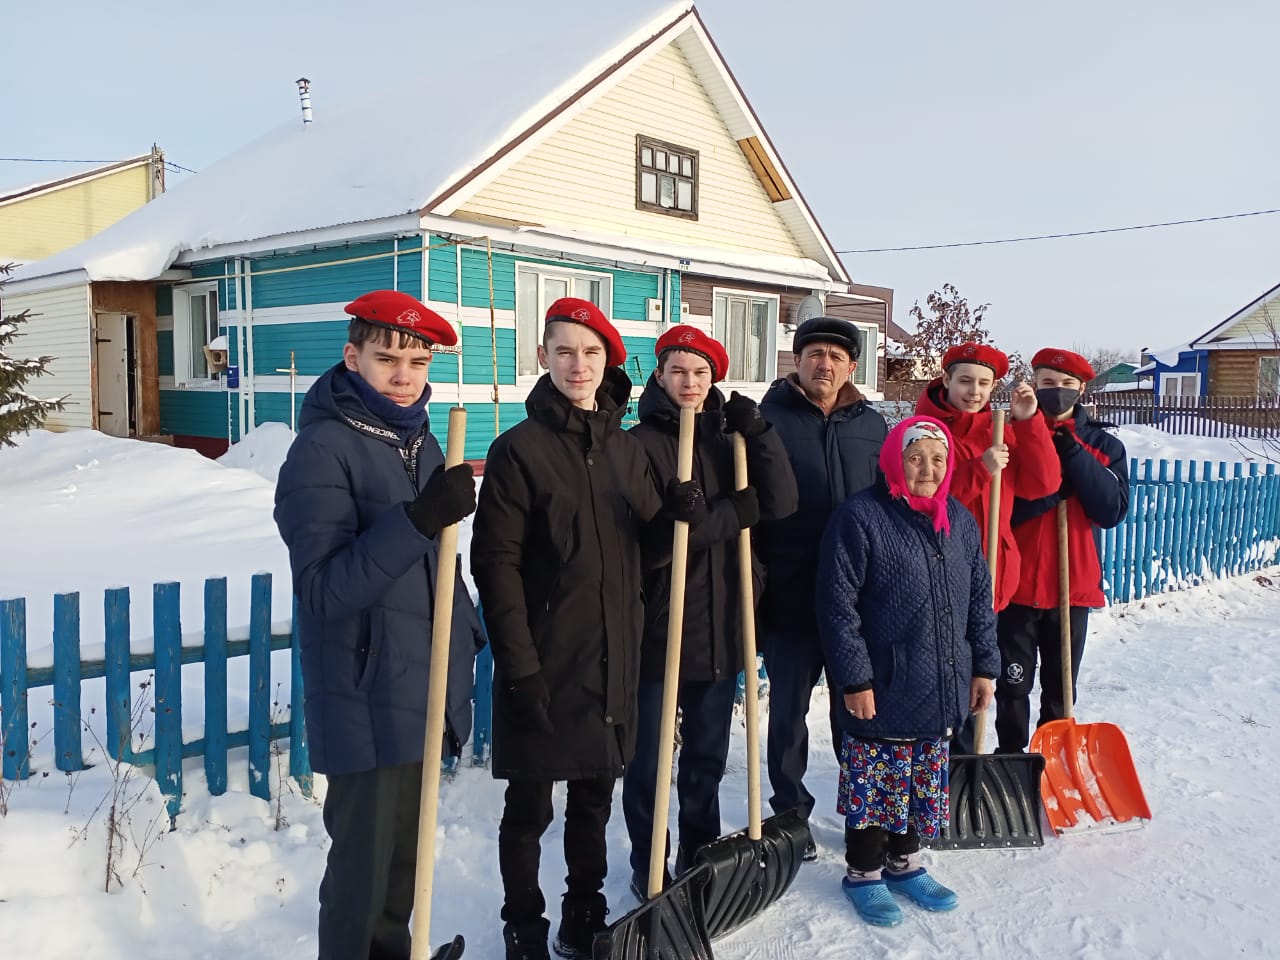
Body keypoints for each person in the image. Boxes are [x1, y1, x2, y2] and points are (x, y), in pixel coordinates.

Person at [470, 299, 707, 960]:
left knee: (594, 801)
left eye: (591, 352)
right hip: (545, 661)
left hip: (612, 657)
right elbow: (496, 566)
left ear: (608, 363)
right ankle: (524, 928)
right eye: (565, 351)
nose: (579, 365)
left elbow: (646, 554)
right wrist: (519, 669)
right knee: (529, 809)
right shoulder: (518, 451)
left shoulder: (625, 451)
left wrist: (673, 519)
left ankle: (584, 912)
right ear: (543, 356)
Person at [273, 290, 482, 960]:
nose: (403, 375)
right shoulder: (321, 450)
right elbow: (325, 590)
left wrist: (468, 634)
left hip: (419, 685)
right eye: (387, 358)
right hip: (364, 692)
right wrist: (419, 519)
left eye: (417, 362)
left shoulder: (420, 442)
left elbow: (436, 571)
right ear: (351, 357)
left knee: (402, 867)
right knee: (361, 878)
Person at [622, 325, 798, 900]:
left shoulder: (732, 440)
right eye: (677, 371)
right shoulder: (640, 444)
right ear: (659, 375)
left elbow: (780, 502)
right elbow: (651, 540)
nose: (689, 382)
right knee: (648, 763)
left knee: (705, 758)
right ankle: (649, 865)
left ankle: (699, 858)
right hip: (659, 627)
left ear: (714, 377)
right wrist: (727, 516)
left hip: (723, 625)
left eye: (700, 372)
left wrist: (761, 434)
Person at [816, 415, 999, 927]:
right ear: (895, 460)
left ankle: (905, 863)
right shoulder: (861, 517)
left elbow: (979, 600)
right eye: (915, 457)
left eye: (938, 459)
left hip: (941, 680)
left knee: (920, 778)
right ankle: (864, 872)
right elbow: (837, 606)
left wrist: (984, 666)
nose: (927, 469)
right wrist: (855, 678)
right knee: (877, 782)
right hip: (884, 682)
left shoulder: (959, 520)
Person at [755, 315, 888, 857]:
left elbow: (889, 504)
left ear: (852, 366)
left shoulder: (872, 426)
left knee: (856, 708)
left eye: (836, 356)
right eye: (814, 354)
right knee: (788, 712)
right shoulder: (766, 421)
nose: (824, 364)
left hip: (856, 600)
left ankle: (863, 813)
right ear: (797, 361)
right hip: (789, 591)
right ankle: (790, 811)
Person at [914, 342, 1060, 752]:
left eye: (983, 383)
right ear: (946, 380)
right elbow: (926, 499)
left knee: (977, 674)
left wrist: (1029, 422)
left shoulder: (1000, 432)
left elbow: (1044, 483)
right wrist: (980, 470)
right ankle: (944, 762)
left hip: (993, 573)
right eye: (965, 381)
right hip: (938, 573)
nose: (974, 391)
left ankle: (964, 762)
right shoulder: (925, 432)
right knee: (943, 674)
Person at [995, 348, 1130, 753]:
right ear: (1035, 385)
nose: (1057, 391)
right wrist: (1047, 496)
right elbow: (999, 507)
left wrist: (1073, 455)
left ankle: (1052, 760)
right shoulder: (1010, 436)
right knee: (1012, 684)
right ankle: (1011, 758)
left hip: (1072, 588)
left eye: (1067, 384)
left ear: (1082, 389)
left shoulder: (1103, 445)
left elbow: (1110, 510)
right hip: (1017, 586)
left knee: (1060, 688)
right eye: (1048, 383)